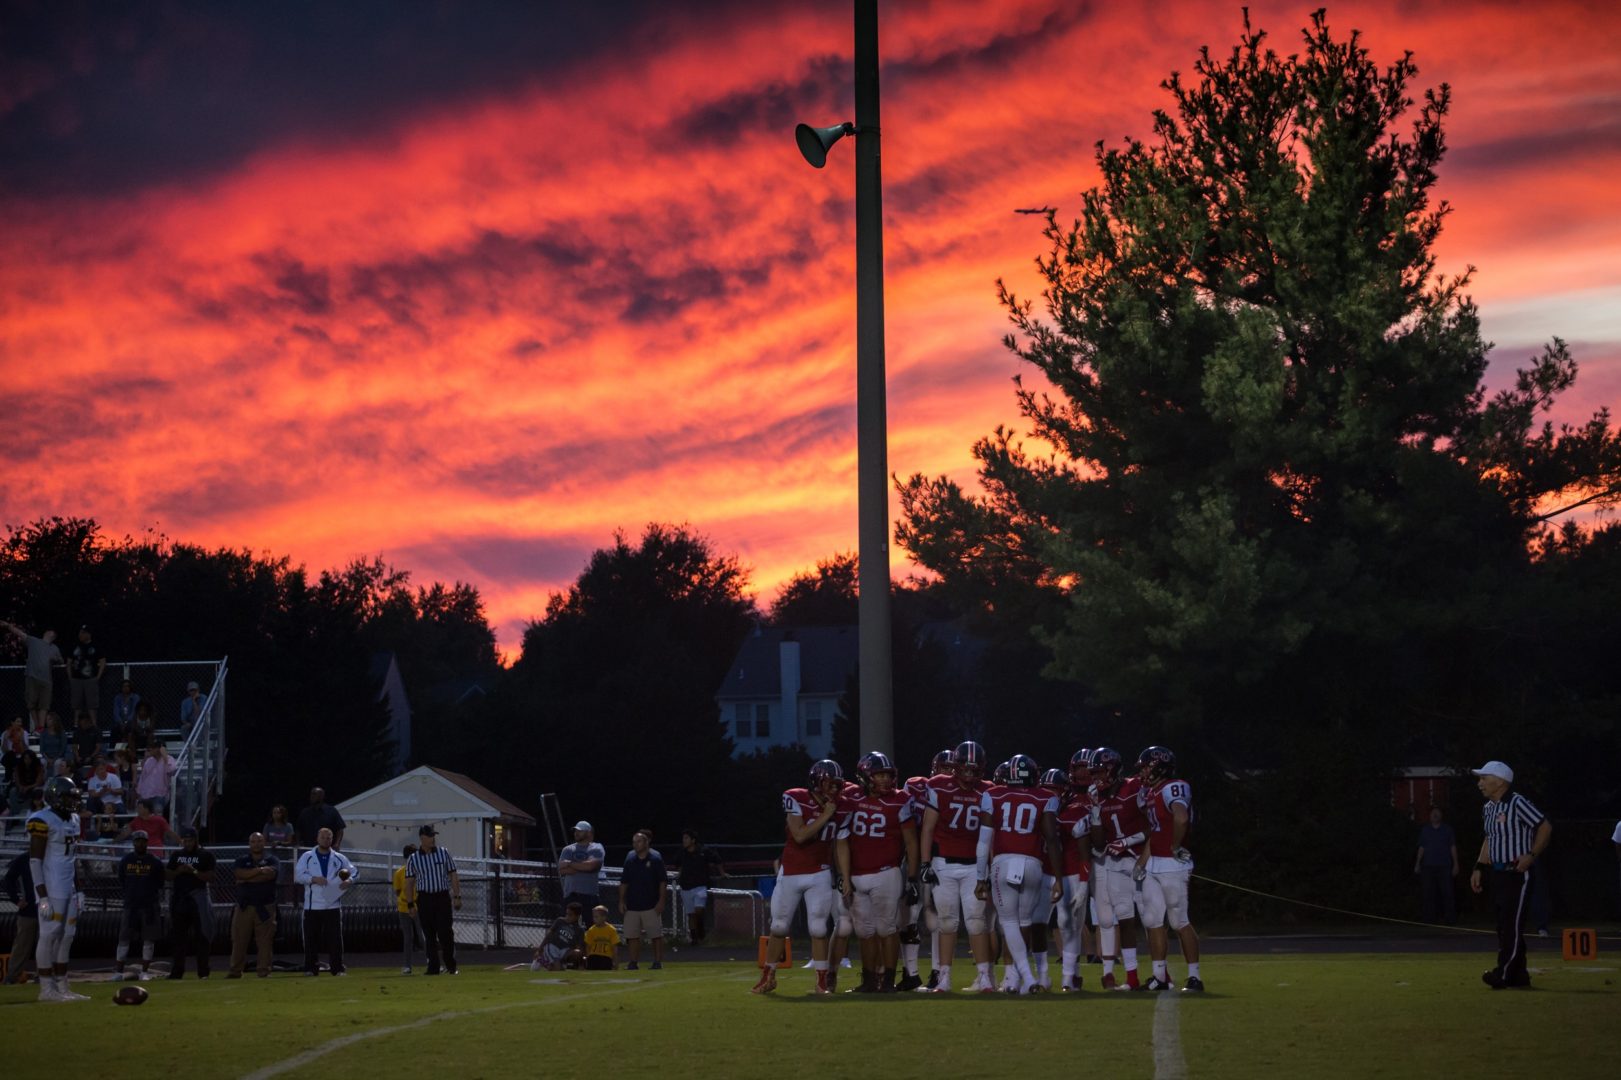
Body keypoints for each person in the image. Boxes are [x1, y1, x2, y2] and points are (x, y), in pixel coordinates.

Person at [753, 759, 844, 995]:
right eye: (829, 783)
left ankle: (821, 982)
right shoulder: (797, 797)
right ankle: (768, 977)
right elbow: (800, 835)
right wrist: (826, 815)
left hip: (820, 872)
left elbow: (839, 843)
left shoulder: (842, 805)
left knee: (818, 928)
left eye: (837, 784)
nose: (833, 788)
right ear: (816, 782)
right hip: (792, 871)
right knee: (779, 925)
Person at [834, 751, 921, 993]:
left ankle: (889, 981)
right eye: (879, 774)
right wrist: (843, 875)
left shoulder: (900, 800)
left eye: (887, 775)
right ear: (864, 776)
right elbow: (841, 839)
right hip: (857, 874)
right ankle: (870, 980)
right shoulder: (851, 797)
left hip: (886, 872)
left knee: (886, 929)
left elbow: (911, 842)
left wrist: (912, 878)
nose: (885, 779)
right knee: (864, 932)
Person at [974, 753, 1060, 995]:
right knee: (1024, 922)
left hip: (1004, 862)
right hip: (1033, 863)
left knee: (1008, 922)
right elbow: (1052, 839)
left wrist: (980, 877)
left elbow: (984, 841)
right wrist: (1059, 878)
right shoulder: (1046, 797)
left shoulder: (993, 795)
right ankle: (1017, 980)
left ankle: (1027, 978)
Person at [919, 740, 995, 993]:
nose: (970, 774)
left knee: (976, 922)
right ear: (956, 766)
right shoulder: (939, 786)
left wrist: (991, 866)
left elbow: (991, 834)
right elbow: (928, 828)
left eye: (975, 769)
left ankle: (985, 977)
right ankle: (944, 977)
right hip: (944, 863)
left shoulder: (988, 790)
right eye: (966, 768)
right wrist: (925, 862)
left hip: (975, 866)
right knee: (947, 922)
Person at [1469, 761, 1552, 989]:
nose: (1480, 783)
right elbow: (1490, 838)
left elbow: (1544, 826)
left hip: (1516, 872)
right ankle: (1519, 975)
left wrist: (1531, 855)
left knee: (1510, 925)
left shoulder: (1517, 802)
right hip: (1497, 873)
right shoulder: (1488, 808)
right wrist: (1479, 866)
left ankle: (1503, 973)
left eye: (1484, 778)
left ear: (1500, 781)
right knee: (1504, 925)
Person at [1136, 746, 1203, 993]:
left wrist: (1175, 846)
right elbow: (1155, 832)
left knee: (1178, 920)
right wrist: (1142, 862)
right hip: (1154, 863)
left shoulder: (1174, 786)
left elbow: (1181, 817)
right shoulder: (1152, 792)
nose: (1142, 772)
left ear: (1159, 767)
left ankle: (1194, 977)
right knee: (1152, 920)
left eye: (1146, 767)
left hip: (1173, 864)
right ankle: (1158, 977)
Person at [1089, 746, 1149, 990]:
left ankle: (1162, 973)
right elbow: (1098, 843)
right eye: (1094, 773)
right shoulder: (1098, 797)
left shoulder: (1135, 788)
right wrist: (1095, 810)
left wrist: (1127, 841)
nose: (1096, 778)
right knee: (1124, 917)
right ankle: (1132, 977)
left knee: (1151, 918)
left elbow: (1154, 826)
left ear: (1113, 769)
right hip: (1115, 863)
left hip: (1141, 859)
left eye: (1100, 772)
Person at [27, 776, 89, 1001]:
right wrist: (42, 895)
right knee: (49, 934)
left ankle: (63, 987)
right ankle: (46, 989)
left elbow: (73, 858)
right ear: (55, 797)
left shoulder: (74, 819)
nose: (73, 802)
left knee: (68, 935)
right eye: (69, 797)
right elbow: (35, 860)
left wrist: (78, 888)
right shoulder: (42, 819)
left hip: (68, 884)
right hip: (51, 885)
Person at [294, 826, 355, 976]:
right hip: (312, 906)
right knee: (311, 939)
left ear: (332, 840)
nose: (326, 840)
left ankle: (337, 968)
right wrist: (313, 879)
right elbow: (298, 876)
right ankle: (310, 968)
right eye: (323, 837)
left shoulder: (339, 858)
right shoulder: (307, 856)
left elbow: (354, 872)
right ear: (317, 839)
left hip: (332, 905)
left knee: (335, 939)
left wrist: (349, 880)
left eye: (328, 838)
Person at [405, 825, 461, 975]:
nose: (433, 839)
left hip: (442, 897)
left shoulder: (443, 853)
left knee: (445, 933)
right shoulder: (413, 859)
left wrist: (457, 896)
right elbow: (409, 882)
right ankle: (433, 967)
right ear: (422, 838)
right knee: (429, 935)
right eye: (430, 836)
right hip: (425, 898)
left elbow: (453, 874)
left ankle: (451, 966)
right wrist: (410, 904)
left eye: (433, 836)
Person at [167, 826, 217, 979]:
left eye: (190, 840)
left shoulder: (206, 855)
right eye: (185, 840)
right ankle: (177, 972)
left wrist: (193, 871)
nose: (188, 843)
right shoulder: (176, 855)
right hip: (180, 898)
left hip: (198, 898)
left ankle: (203, 972)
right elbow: (167, 875)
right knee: (178, 937)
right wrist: (179, 871)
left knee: (202, 936)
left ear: (196, 840)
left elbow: (210, 877)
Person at [229, 832, 280, 978]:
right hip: (244, 906)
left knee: (265, 941)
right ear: (249, 843)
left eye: (259, 841)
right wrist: (259, 871)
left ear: (264, 842)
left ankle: (264, 971)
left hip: (265, 906)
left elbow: (270, 876)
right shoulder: (241, 860)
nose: (256, 844)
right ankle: (235, 971)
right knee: (239, 939)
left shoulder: (272, 859)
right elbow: (239, 874)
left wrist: (247, 879)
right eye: (253, 841)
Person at [115, 830, 165, 979]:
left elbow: (160, 882)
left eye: (143, 841)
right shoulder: (126, 860)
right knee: (124, 938)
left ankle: (145, 972)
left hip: (149, 905)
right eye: (138, 841)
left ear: (147, 843)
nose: (140, 844)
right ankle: (118, 972)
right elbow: (122, 879)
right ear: (134, 843)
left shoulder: (154, 861)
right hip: (131, 904)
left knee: (148, 939)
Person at [1, 620, 62, 732]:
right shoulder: (34, 641)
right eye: (50, 632)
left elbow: (61, 660)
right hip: (32, 677)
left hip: (47, 680)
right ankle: (37, 726)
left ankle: (40, 728)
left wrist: (56, 659)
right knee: (31, 704)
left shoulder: (55, 648)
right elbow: (19, 633)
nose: (51, 634)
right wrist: (8, 625)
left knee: (44, 705)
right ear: (47, 633)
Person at [620, 830, 667, 970]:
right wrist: (621, 900)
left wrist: (661, 900)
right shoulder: (630, 860)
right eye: (634, 842)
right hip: (633, 904)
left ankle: (657, 961)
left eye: (639, 841)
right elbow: (624, 882)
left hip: (651, 904)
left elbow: (662, 881)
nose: (636, 844)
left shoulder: (655, 859)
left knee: (655, 934)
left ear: (646, 843)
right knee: (632, 935)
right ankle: (633, 962)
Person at [673, 829, 726, 945]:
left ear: (693, 840)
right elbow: (677, 865)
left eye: (686, 838)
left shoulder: (703, 851)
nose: (684, 841)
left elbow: (717, 860)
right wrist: (680, 874)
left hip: (700, 886)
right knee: (691, 914)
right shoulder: (682, 853)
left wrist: (722, 873)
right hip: (686, 886)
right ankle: (694, 938)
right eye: (683, 838)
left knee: (699, 911)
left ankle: (701, 931)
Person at [1415, 805, 1459, 924]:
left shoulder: (1447, 830)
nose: (1435, 814)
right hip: (1428, 866)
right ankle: (1428, 918)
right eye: (1433, 813)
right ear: (1430, 816)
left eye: (1437, 812)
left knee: (1447, 892)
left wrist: (1456, 864)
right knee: (1428, 893)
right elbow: (1422, 847)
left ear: (1441, 815)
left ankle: (1450, 918)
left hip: (1444, 865)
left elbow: (1452, 847)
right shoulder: (1425, 830)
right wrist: (1418, 863)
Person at [2, 850, 40, 985]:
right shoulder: (23, 859)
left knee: (45, 944)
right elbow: (8, 880)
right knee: (22, 945)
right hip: (29, 910)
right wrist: (16, 900)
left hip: (45, 910)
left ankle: (43, 975)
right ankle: (12, 976)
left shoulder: (52, 857)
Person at [558, 821, 605, 917]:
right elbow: (562, 870)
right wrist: (583, 867)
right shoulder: (568, 849)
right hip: (571, 896)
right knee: (569, 924)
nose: (576, 833)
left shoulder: (597, 848)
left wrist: (569, 863)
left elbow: (591, 866)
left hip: (590, 896)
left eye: (580, 831)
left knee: (590, 924)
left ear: (589, 833)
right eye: (575, 831)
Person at [393, 843, 424, 974]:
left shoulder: (420, 871)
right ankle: (407, 965)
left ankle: (431, 961)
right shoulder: (399, 873)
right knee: (408, 938)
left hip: (418, 906)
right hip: (403, 907)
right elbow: (398, 890)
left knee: (423, 937)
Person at [534, 902, 588, 971]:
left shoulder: (579, 930)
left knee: (577, 952)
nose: (567, 917)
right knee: (558, 968)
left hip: (565, 951)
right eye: (567, 914)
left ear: (577, 916)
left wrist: (582, 960)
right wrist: (540, 949)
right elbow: (549, 935)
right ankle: (540, 960)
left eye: (570, 915)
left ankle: (559, 964)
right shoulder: (560, 921)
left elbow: (580, 947)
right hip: (553, 947)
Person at [66, 627, 105, 723]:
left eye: (83, 633)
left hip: (91, 679)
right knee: (77, 705)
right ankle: (76, 725)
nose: (80, 635)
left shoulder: (95, 646)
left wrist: (98, 677)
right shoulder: (75, 646)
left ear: (88, 634)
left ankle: (94, 725)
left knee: (92, 705)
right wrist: (70, 678)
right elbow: (69, 662)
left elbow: (103, 661)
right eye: (80, 633)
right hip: (76, 679)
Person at [135, 743, 177, 817]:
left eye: (153, 748)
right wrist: (139, 791)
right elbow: (143, 777)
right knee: (145, 816)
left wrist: (164, 756)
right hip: (146, 794)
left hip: (160, 794)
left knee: (158, 816)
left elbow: (171, 771)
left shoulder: (169, 759)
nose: (150, 750)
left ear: (159, 749)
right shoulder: (149, 761)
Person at [584, 904, 621, 970]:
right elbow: (588, 946)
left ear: (604, 917)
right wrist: (587, 958)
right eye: (594, 917)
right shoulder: (591, 930)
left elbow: (614, 947)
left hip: (606, 957)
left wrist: (616, 962)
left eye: (596, 917)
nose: (594, 919)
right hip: (593, 956)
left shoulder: (611, 930)